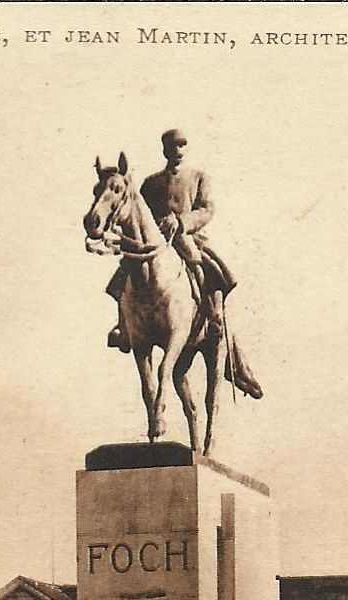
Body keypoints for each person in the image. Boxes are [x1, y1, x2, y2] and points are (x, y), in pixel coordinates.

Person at [104, 129, 263, 398]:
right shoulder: (151, 182)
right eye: (171, 147)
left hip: (188, 236)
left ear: (185, 150)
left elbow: (206, 209)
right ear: (164, 150)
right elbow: (140, 211)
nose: (176, 151)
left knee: (208, 268)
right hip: (156, 243)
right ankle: (123, 327)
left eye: (181, 146)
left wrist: (182, 222)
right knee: (122, 275)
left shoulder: (198, 177)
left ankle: (214, 319)